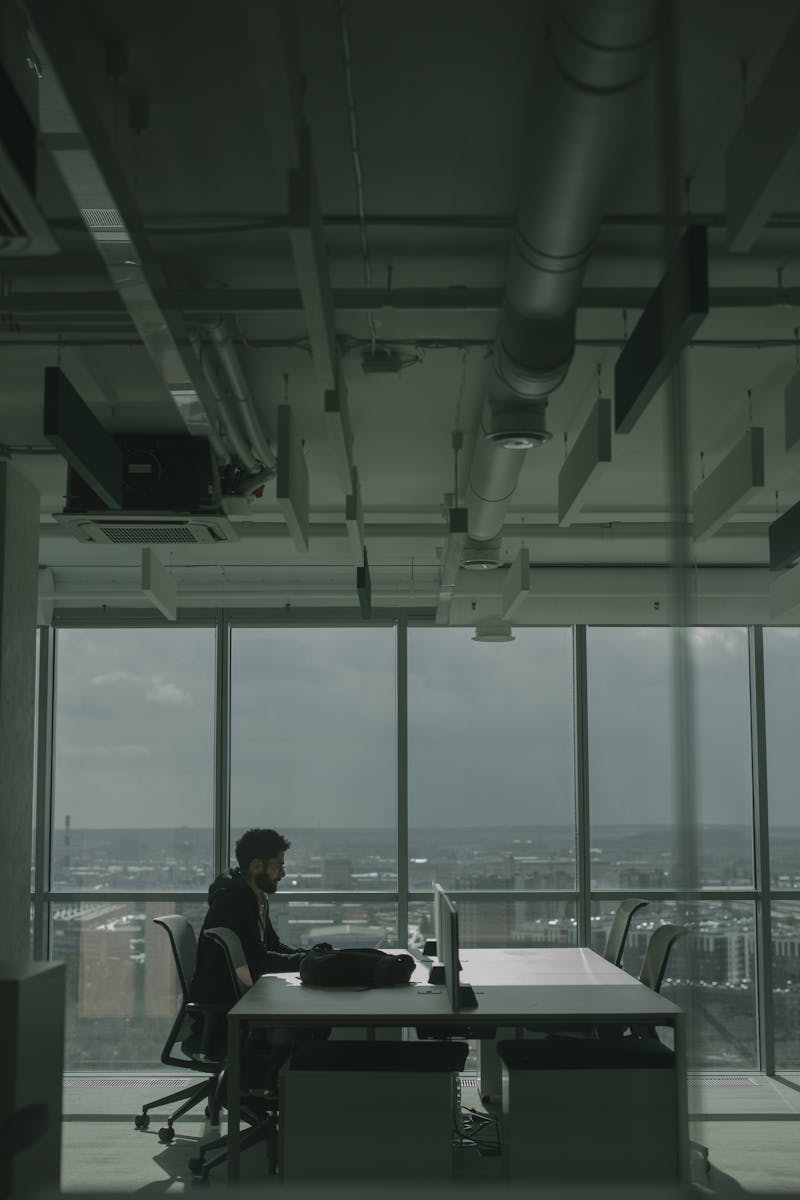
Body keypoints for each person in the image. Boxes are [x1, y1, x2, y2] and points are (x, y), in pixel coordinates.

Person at [188, 827, 331, 1074]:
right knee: (315, 1022)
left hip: (242, 999)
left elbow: (272, 946)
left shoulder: (254, 897)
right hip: (227, 1011)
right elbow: (259, 962)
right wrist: (304, 961)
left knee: (314, 1017)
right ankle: (260, 1088)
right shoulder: (235, 902)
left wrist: (307, 956)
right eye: (278, 866)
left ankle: (271, 1089)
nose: (283, 873)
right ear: (256, 866)